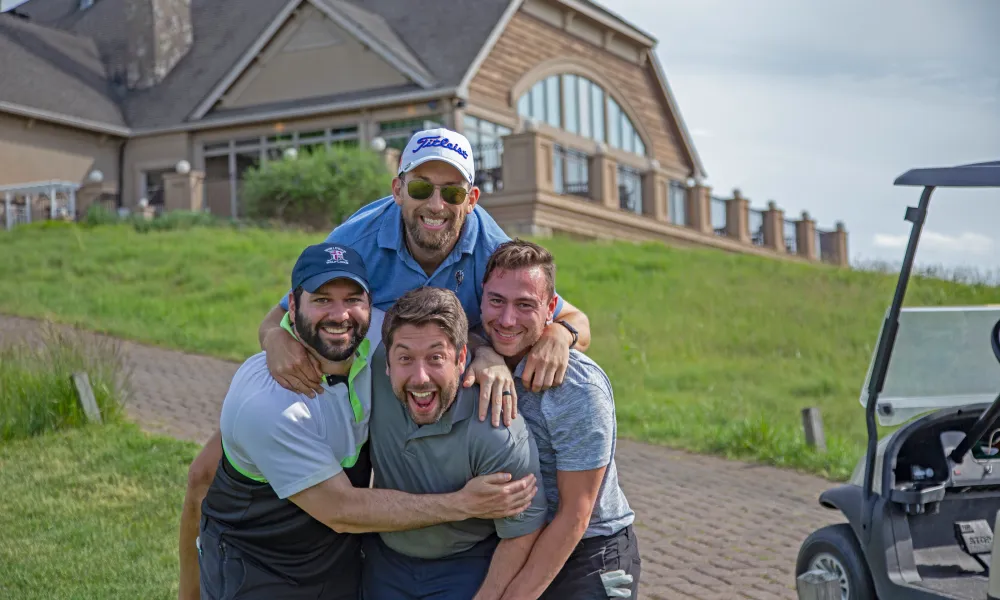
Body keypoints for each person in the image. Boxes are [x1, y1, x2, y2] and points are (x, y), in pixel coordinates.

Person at [176, 126, 591, 598]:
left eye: (451, 191)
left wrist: (558, 333)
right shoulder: (357, 238)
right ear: (397, 189)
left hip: (423, 383)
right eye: (419, 188)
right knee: (203, 474)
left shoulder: (490, 246)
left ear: (471, 198)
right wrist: (274, 339)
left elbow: (558, 311)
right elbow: (285, 311)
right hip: (370, 371)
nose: (436, 205)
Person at [196, 242, 538, 600]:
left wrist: (488, 355)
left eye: (352, 300)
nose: (340, 315)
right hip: (260, 559)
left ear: (369, 306)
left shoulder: (378, 337)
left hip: (338, 556)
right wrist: (462, 504)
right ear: (293, 307)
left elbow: (437, 334)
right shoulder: (268, 405)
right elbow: (341, 510)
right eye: (322, 299)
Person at [477, 240, 641, 600]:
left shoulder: (578, 387)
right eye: (497, 301)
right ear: (481, 299)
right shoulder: (479, 364)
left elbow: (576, 516)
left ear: (551, 309)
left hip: (591, 548)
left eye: (524, 305)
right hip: (519, 539)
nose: (507, 320)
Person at [361, 286, 549, 599]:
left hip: (466, 566)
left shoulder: (498, 430)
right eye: (405, 358)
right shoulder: (371, 372)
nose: (420, 377)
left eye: (436, 358)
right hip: (384, 558)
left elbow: (523, 531)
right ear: (387, 362)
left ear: (461, 358)